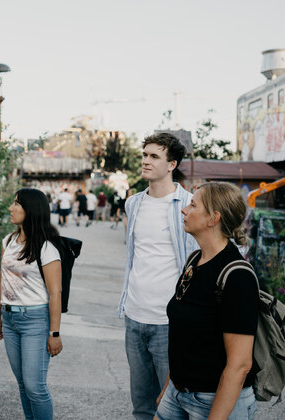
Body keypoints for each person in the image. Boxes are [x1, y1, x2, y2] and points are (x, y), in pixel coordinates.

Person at [155, 182, 258, 420]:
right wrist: (169, 389)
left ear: (213, 218)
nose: (184, 210)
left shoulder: (237, 276)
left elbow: (240, 364)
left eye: (193, 205)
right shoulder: (194, 260)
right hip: (178, 392)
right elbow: (184, 335)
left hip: (216, 400)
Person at [117, 132, 198, 420]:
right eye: (145, 155)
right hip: (135, 317)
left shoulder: (190, 206)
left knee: (172, 406)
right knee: (141, 405)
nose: (146, 161)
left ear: (172, 164)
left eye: (154, 156)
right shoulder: (134, 203)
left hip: (169, 322)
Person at [0, 188, 63, 420]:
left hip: (35, 321)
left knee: (35, 386)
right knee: (23, 384)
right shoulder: (9, 240)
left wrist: (55, 332)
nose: (10, 208)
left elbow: (55, 293)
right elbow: (2, 279)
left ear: (30, 210)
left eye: (16, 204)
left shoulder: (46, 248)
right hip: (10, 319)